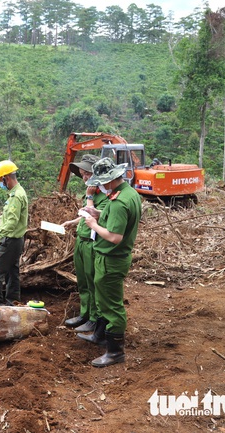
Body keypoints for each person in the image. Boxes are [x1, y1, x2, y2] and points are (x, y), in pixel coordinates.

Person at [77, 157, 141, 367]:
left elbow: (115, 236)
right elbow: (117, 217)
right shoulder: (129, 194)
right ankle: (102, 337)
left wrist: (93, 224)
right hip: (112, 258)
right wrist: (100, 213)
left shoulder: (119, 201)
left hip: (111, 259)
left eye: (102, 182)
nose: (100, 186)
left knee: (111, 306)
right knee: (105, 301)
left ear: (110, 180)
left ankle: (115, 352)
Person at [61, 154, 108, 333]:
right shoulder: (90, 193)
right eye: (82, 174)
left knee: (92, 281)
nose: (84, 178)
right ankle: (85, 313)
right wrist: (72, 222)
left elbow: (98, 214)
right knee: (82, 281)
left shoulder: (104, 194)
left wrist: (89, 197)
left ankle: (95, 318)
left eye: (86, 174)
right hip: (81, 241)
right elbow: (85, 215)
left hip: (92, 243)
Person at [0, 160, 28, 306]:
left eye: (0, 180)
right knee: (12, 272)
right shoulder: (15, 193)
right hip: (16, 240)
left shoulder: (16, 196)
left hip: (11, 240)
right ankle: (13, 301)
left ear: (6, 178)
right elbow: (10, 216)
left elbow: (12, 222)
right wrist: (0, 217)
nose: (0, 183)